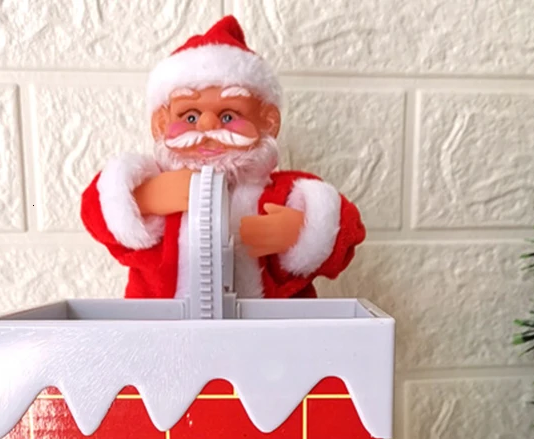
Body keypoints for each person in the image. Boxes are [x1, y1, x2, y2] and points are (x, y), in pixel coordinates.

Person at [82, 16, 365, 300]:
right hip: (163, 326)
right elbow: (95, 212)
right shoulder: (151, 183)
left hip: (266, 329)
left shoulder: (283, 193)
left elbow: (347, 231)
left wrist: (302, 232)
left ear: (268, 122)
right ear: (160, 124)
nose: (207, 125)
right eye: (189, 116)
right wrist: (145, 198)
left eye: (228, 115)